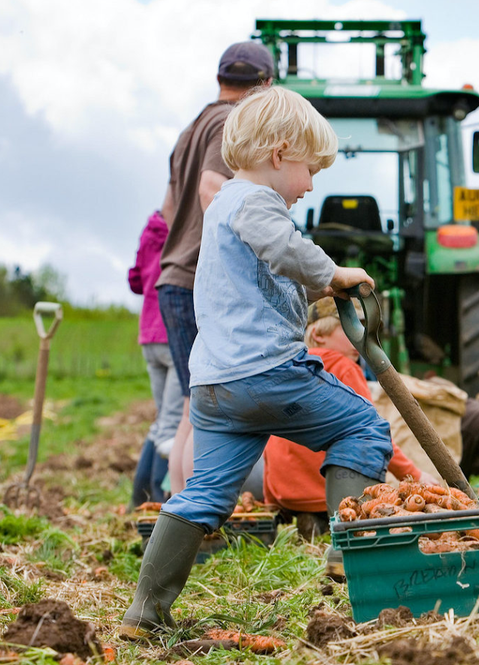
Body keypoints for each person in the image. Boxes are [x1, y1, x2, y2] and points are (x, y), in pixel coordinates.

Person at [120, 85, 390, 639]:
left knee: (205, 493)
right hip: (266, 373)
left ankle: (145, 613)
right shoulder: (255, 202)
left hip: (218, 388)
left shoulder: (222, 208)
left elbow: (265, 278)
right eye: (310, 169)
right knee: (364, 427)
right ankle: (351, 553)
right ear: (280, 153)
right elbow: (284, 248)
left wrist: (313, 298)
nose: (311, 184)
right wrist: (333, 274)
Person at [155, 42, 274, 495]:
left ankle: (185, 511)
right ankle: (194, 516)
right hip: (193, 282)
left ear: (221, 78)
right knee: (198, 408)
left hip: (174, 276)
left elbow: (169, 210)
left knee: (192, 403)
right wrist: (234, 262)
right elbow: (211, 188)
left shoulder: (193, 126)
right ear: (265, 86)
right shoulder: (230, 122)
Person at [263, 298, 422, 540]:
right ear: (317, 334)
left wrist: (270, 500)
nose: (358, 338)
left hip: (287, 496)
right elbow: (373, 432)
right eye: (348, 329)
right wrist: (414, 475)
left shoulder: (288, 369)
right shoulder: (343, 367)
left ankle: (310, 530)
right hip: (324, 495)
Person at [127, 210, 181, 506]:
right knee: (172, 424)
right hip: (173, 332)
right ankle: (161, 502)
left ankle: (140, 499)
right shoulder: (185, 229)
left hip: (149, 335)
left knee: (163, 420)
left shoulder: (151, 229)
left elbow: (135, 280)